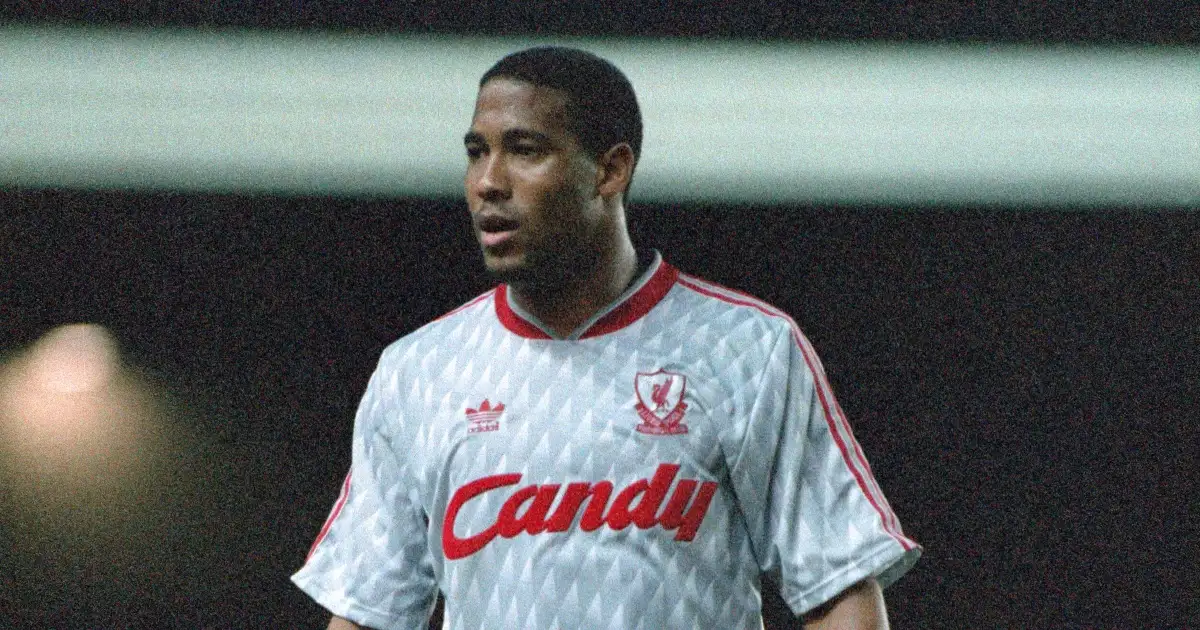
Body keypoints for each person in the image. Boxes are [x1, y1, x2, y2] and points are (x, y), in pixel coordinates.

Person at [292, 46, 920, 629]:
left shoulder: (748, 349)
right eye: (476, 151)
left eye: (525, 149)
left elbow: (840, 591)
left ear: (611, 169)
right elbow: (366, 611)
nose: (488, 181)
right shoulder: (419, 371)